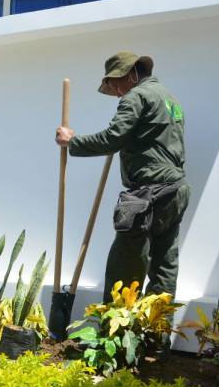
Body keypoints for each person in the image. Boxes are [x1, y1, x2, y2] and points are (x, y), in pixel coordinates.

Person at [55, 51, 190, 303]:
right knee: (164, 265)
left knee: (124, 267)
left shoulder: (136, 96)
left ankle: (114, 335)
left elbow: (112, 138)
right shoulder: (170, 99)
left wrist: (72, 142)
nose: (117, 92)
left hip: (148, 192)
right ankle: (155, 335)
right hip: (176, 189)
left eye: (116, 84)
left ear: (131, 74)